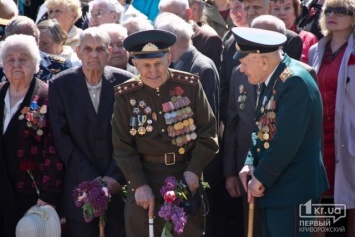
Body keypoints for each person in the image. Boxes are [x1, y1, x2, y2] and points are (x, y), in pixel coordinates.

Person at [111, 29, 219, 237]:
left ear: (169, 58)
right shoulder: (126, 95)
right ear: (135, 64)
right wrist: (138, 183)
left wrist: (194, 171)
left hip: (184, 175)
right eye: (146, 66)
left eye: (158, 63)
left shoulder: (189, 86)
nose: (153, 71)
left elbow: (208, 133)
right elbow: (121, 145)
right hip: (144, 178)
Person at [236, 27, 329, 236]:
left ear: (263, 61)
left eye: (243, 63)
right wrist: (250, 163)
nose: (241, 70)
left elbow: (287, 141)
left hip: (293, 190)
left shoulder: (293, 81)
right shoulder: (274, 76)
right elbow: (261, 128)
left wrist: (261, 176)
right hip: (278, 187)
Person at [48, 27, 134, 237]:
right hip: (80, 189)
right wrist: (94, 181)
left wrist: (113, 177)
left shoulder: (126, 82)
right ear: (78, 51)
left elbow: (133, 132)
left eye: (100, 49)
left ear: (109, 50)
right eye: (88, 49)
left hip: (119, 187)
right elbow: (62, 138)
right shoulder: (60, 85)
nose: (94, 55)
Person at [154, 13, 221, 236]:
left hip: (193, 167)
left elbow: (206, 126)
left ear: (170, 43)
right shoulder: (178, 66)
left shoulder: (201, 68)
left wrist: (193, 168)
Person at [0, 34, 64, 237]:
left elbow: (54, 149)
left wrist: (48, 195)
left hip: (31, 199)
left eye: (23, 58)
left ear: (35, 64)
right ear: (3, 64)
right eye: (10, 59)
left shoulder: (47, 96)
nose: (16, 64)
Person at [308, 0, 355, 235]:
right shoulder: (316, 50)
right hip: (321, 136)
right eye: (328, 10)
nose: (332, 15)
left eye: (341, 11)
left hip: (348, 134)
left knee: (351, 200)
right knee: (321, 201)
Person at [0, 16, 72, 82]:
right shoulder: (2, 66)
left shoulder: (59, 66)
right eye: (23, 40)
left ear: (38, 39)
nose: (30, 43)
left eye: (33, 37)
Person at [158, 0, 223, 69]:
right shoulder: (158, 42)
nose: (166, 22)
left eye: (172, 17)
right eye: (162, 17)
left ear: (188, 13)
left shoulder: (209, 41)